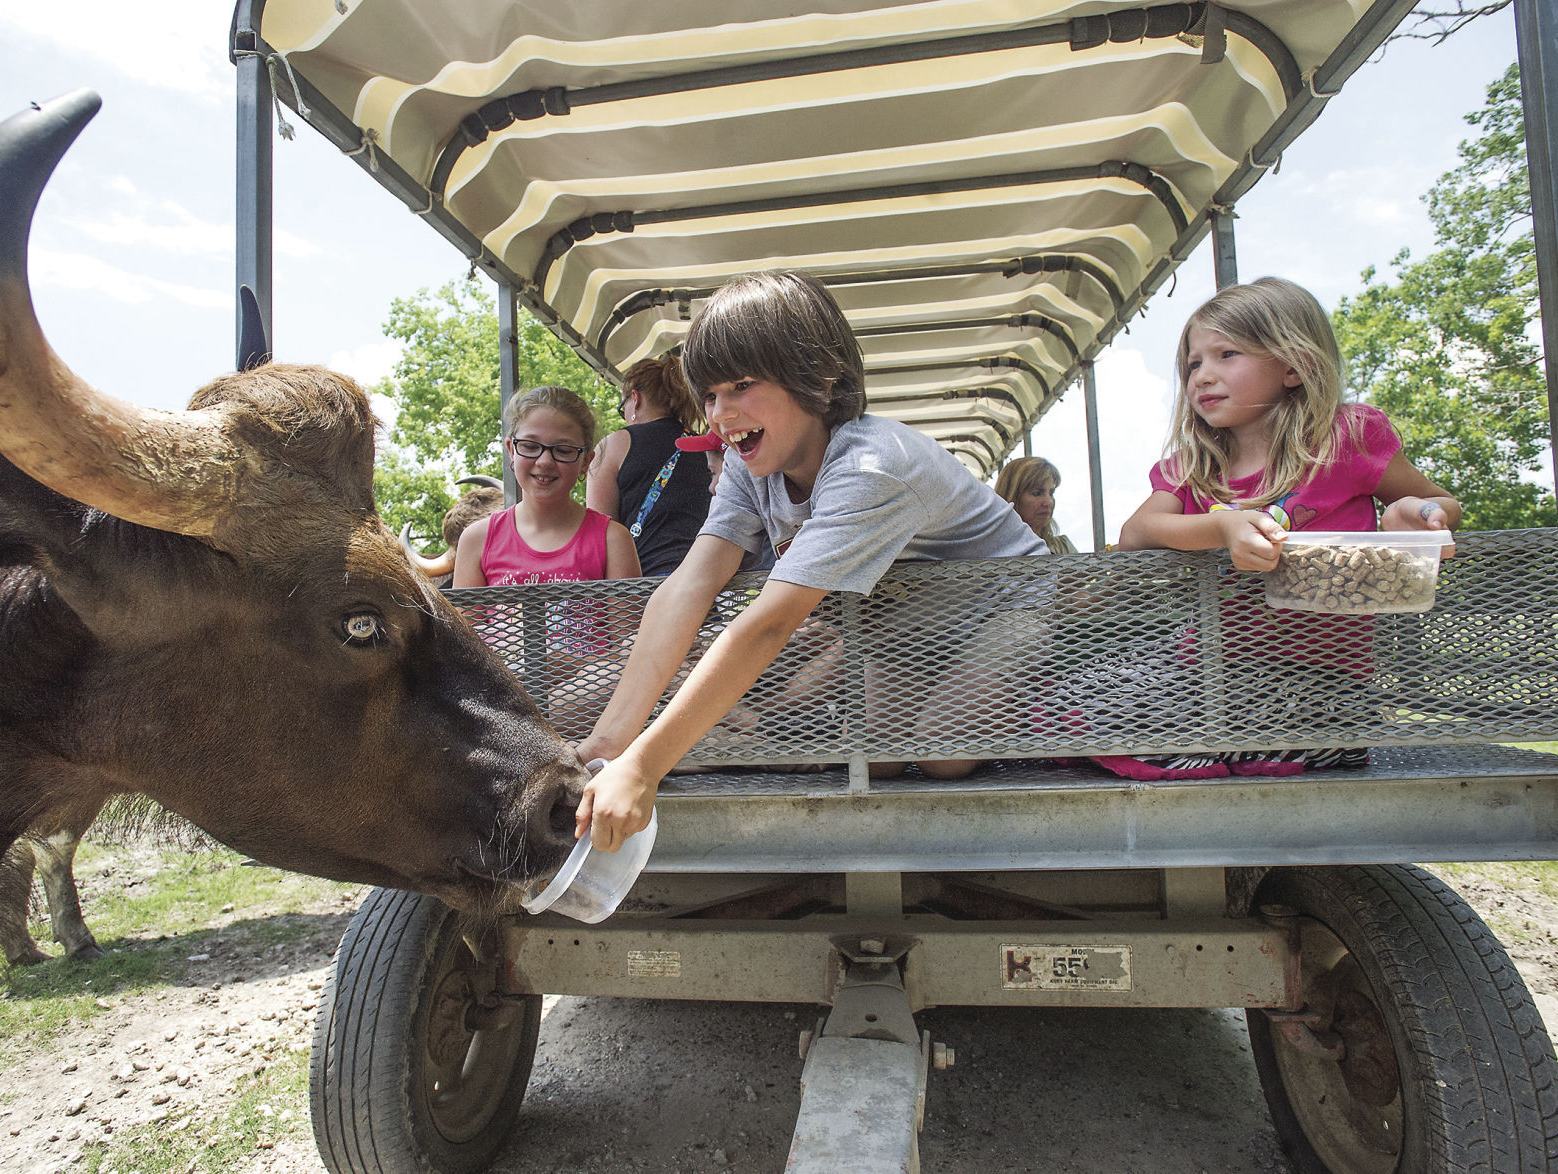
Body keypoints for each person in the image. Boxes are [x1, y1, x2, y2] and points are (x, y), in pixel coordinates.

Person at [574, 270, 1046, 851]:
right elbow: (687, 586)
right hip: (910, 627)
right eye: (711, 395)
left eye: (742, 385)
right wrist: (608, 743)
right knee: (884, 760)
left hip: (1011, 606)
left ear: (819, 379)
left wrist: (644, 768)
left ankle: (1049, 696)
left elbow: (770, 623)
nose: (721, 414)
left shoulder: (870, 467)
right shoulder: (751, 467)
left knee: (941, 754)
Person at [1108, 275, 1459, 777]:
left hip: (1323, 683)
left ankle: (1215, 764)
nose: (1202, 376)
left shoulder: (1347, 437)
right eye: (1193, 363)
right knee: (1056, 702)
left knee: (1178, 736)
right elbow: (1136, 531)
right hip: (1205, 671)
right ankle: (1206, 760)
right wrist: (1224, 528)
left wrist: (1411, 517)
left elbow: (1434, 501)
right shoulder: (1194, 463)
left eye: (1226, 354)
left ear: (1294, 367)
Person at [453, 385, 641, 588]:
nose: (544, 461)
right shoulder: (477, 540)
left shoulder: (613, 541)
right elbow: (466, 621)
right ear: (511, 450)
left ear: (586, 462)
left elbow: (629, 620)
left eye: (563, 450)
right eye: (530, 446)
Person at [588, 354, 714, 575]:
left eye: (622, 407)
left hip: (641, 588)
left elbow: (598, 534)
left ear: (635, 398)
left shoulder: (615, 445)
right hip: (704, 582)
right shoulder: (705, 448)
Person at [994, 456, 1077, 554]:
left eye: (1051, 493)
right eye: (1037, 493)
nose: (1048, 502)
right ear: (1012, 497)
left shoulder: (1063, 548)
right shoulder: (992, 551)